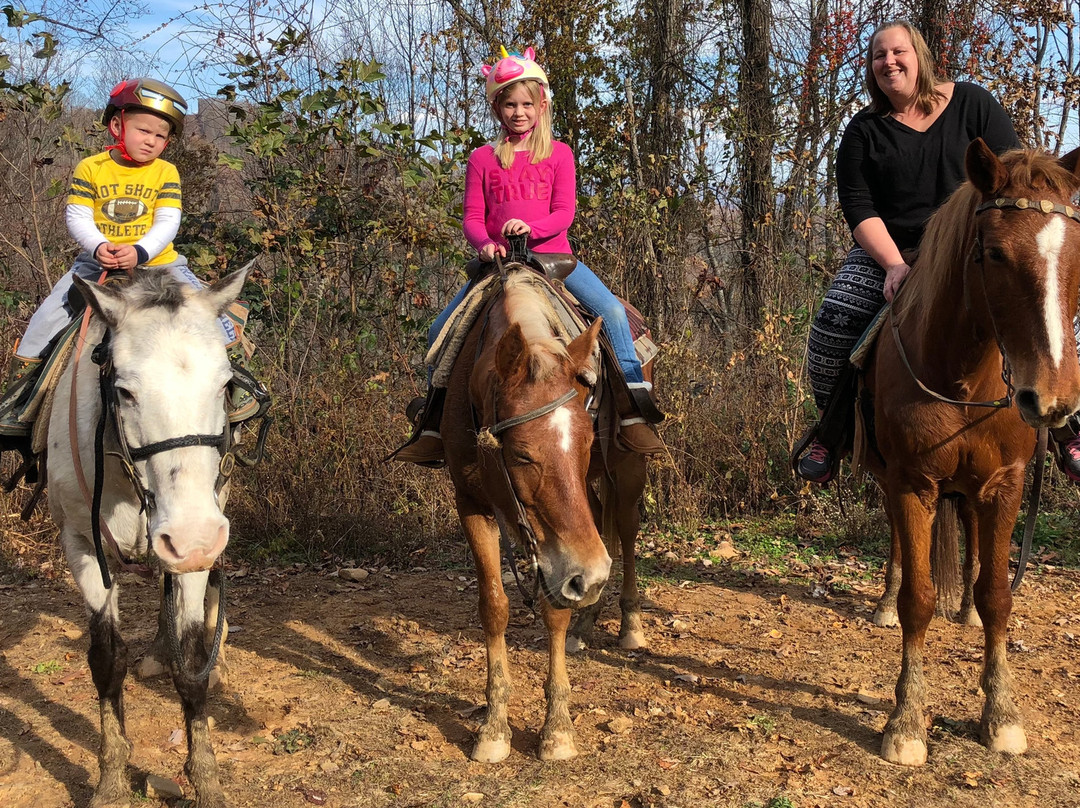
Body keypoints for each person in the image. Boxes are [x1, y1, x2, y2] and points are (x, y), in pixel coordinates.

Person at [395, 47, 664, 466]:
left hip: (555, 260)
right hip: (498, 265)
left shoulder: (558, 154)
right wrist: (483, 242)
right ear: (497, 107)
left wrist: (531, 229)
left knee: (610, 310)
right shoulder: (482, 159)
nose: (518, 112)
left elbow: (564, 213)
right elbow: (472, 216)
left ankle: (633, 405)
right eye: (508, 104)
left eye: (525, 104)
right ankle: (432, 426)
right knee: (438, 331)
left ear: (540, 105)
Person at [797, 20, 1039, 482]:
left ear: (920, 57)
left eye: (898, 51)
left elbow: (1013, 180)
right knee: (833, 326)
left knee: (1039, 309)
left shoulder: (973, 103)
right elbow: (859, 206)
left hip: (972, 250)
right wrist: (892, 265)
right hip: (893, 253)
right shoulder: (864, 131)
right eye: (878, 56)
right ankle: (831, 433)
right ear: (870, 69)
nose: (889, 62)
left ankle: (1066, 426)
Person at [0, 78, 262, 439]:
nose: (152, 140)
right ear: (117, 125)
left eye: (161, 136)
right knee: (45, 319)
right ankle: (20, 400)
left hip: (160, 264)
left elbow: (168, 220)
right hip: (96, 264)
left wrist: (139, 251)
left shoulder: (165, 172)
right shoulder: (91, 168)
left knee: (212, 317)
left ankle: (239, 388)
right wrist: (98, 247)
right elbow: (77, 215)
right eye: (144, 130)